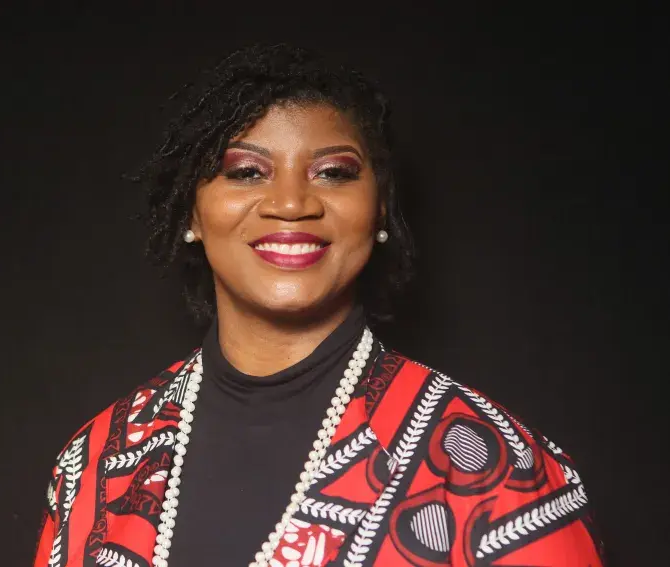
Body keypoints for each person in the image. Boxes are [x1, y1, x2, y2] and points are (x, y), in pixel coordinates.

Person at [33, 44, 604, 567]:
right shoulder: (94, 465)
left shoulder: (490, 466)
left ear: (379, 212)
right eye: (246, 172)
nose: (291, 203)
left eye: (333, 173)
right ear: (191, 214)